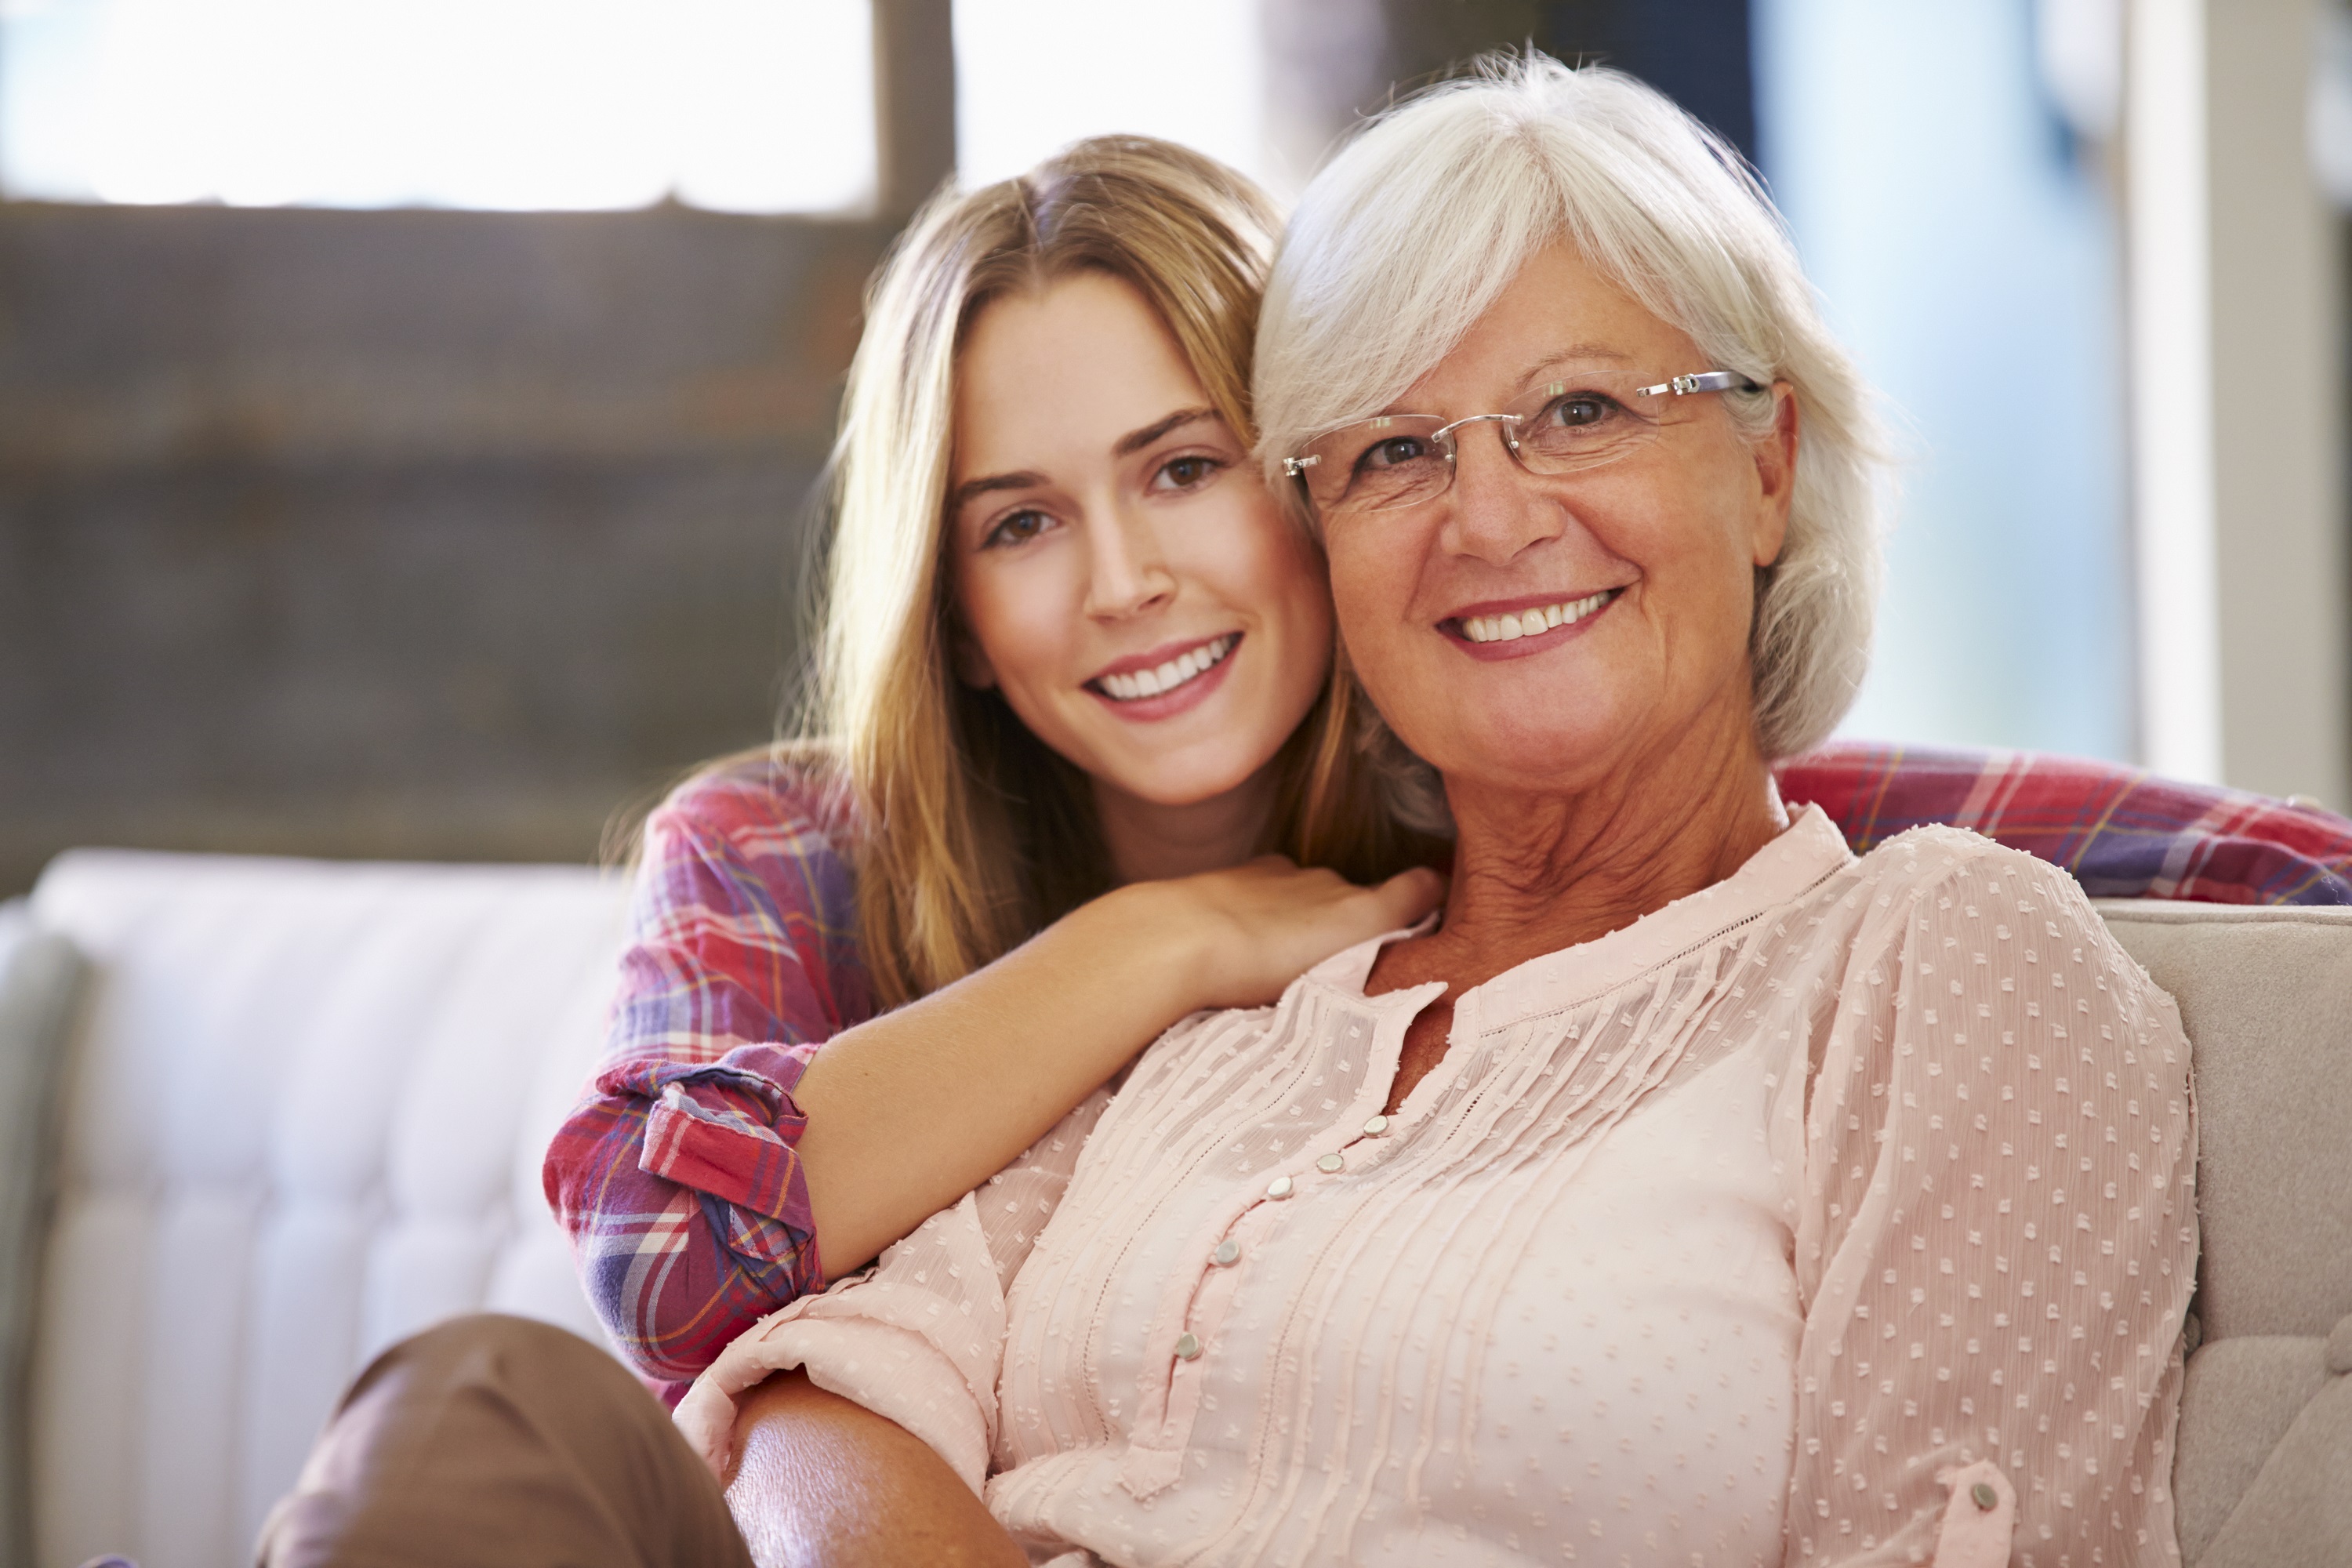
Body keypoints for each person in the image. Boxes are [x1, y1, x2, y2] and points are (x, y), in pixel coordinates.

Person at [681, 58, 2198, 1567]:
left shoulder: (1937, 960)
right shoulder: (1236, 1011)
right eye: (1397, 450)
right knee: (496, 1411)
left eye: (1584, 409)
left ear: (1768, 471)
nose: (1489, 518)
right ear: (1321, 540)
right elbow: (829, 1389)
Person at [540, 136, 1443, 1392]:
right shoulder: (777, 854)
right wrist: (1159, 942)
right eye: (1021, 525)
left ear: (1314, 479)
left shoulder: (1495, 806)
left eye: (1184, 468)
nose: (1125, 585)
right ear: (954, 613)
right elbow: (658, 1259)